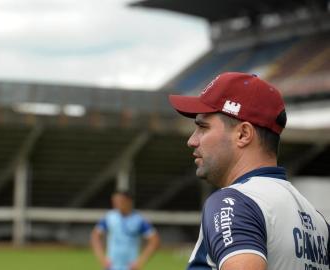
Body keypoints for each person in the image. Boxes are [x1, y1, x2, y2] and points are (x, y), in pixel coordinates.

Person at [169, 72, 330, 270]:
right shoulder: (318, 221)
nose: (192, 140)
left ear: (243, 134)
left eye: (203, 127)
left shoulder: (233, 203)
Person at [90, 190, 160, 270]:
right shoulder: (109, 217)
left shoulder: (139, 220)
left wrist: (141, 261)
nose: (116, 204)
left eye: (120, 201)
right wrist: (102, 258)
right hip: (111, 266)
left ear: (129, 201)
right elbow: (95, 236)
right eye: (114, 201)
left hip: (130, 266)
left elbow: (154, 240)